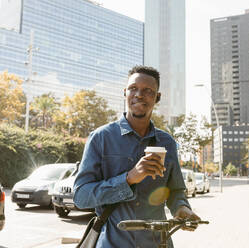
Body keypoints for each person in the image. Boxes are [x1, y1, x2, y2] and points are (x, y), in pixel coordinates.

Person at [73, 65, 200, 248]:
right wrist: (128, 179)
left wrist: (182, 209)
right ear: (125, 93)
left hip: (158, 243)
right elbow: (81, 196)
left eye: (148, 91)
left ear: (157, 98)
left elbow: (176, 191)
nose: (139, 95)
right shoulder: (100, 138)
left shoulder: (167, 143)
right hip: (112, 243)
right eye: (133, 88)